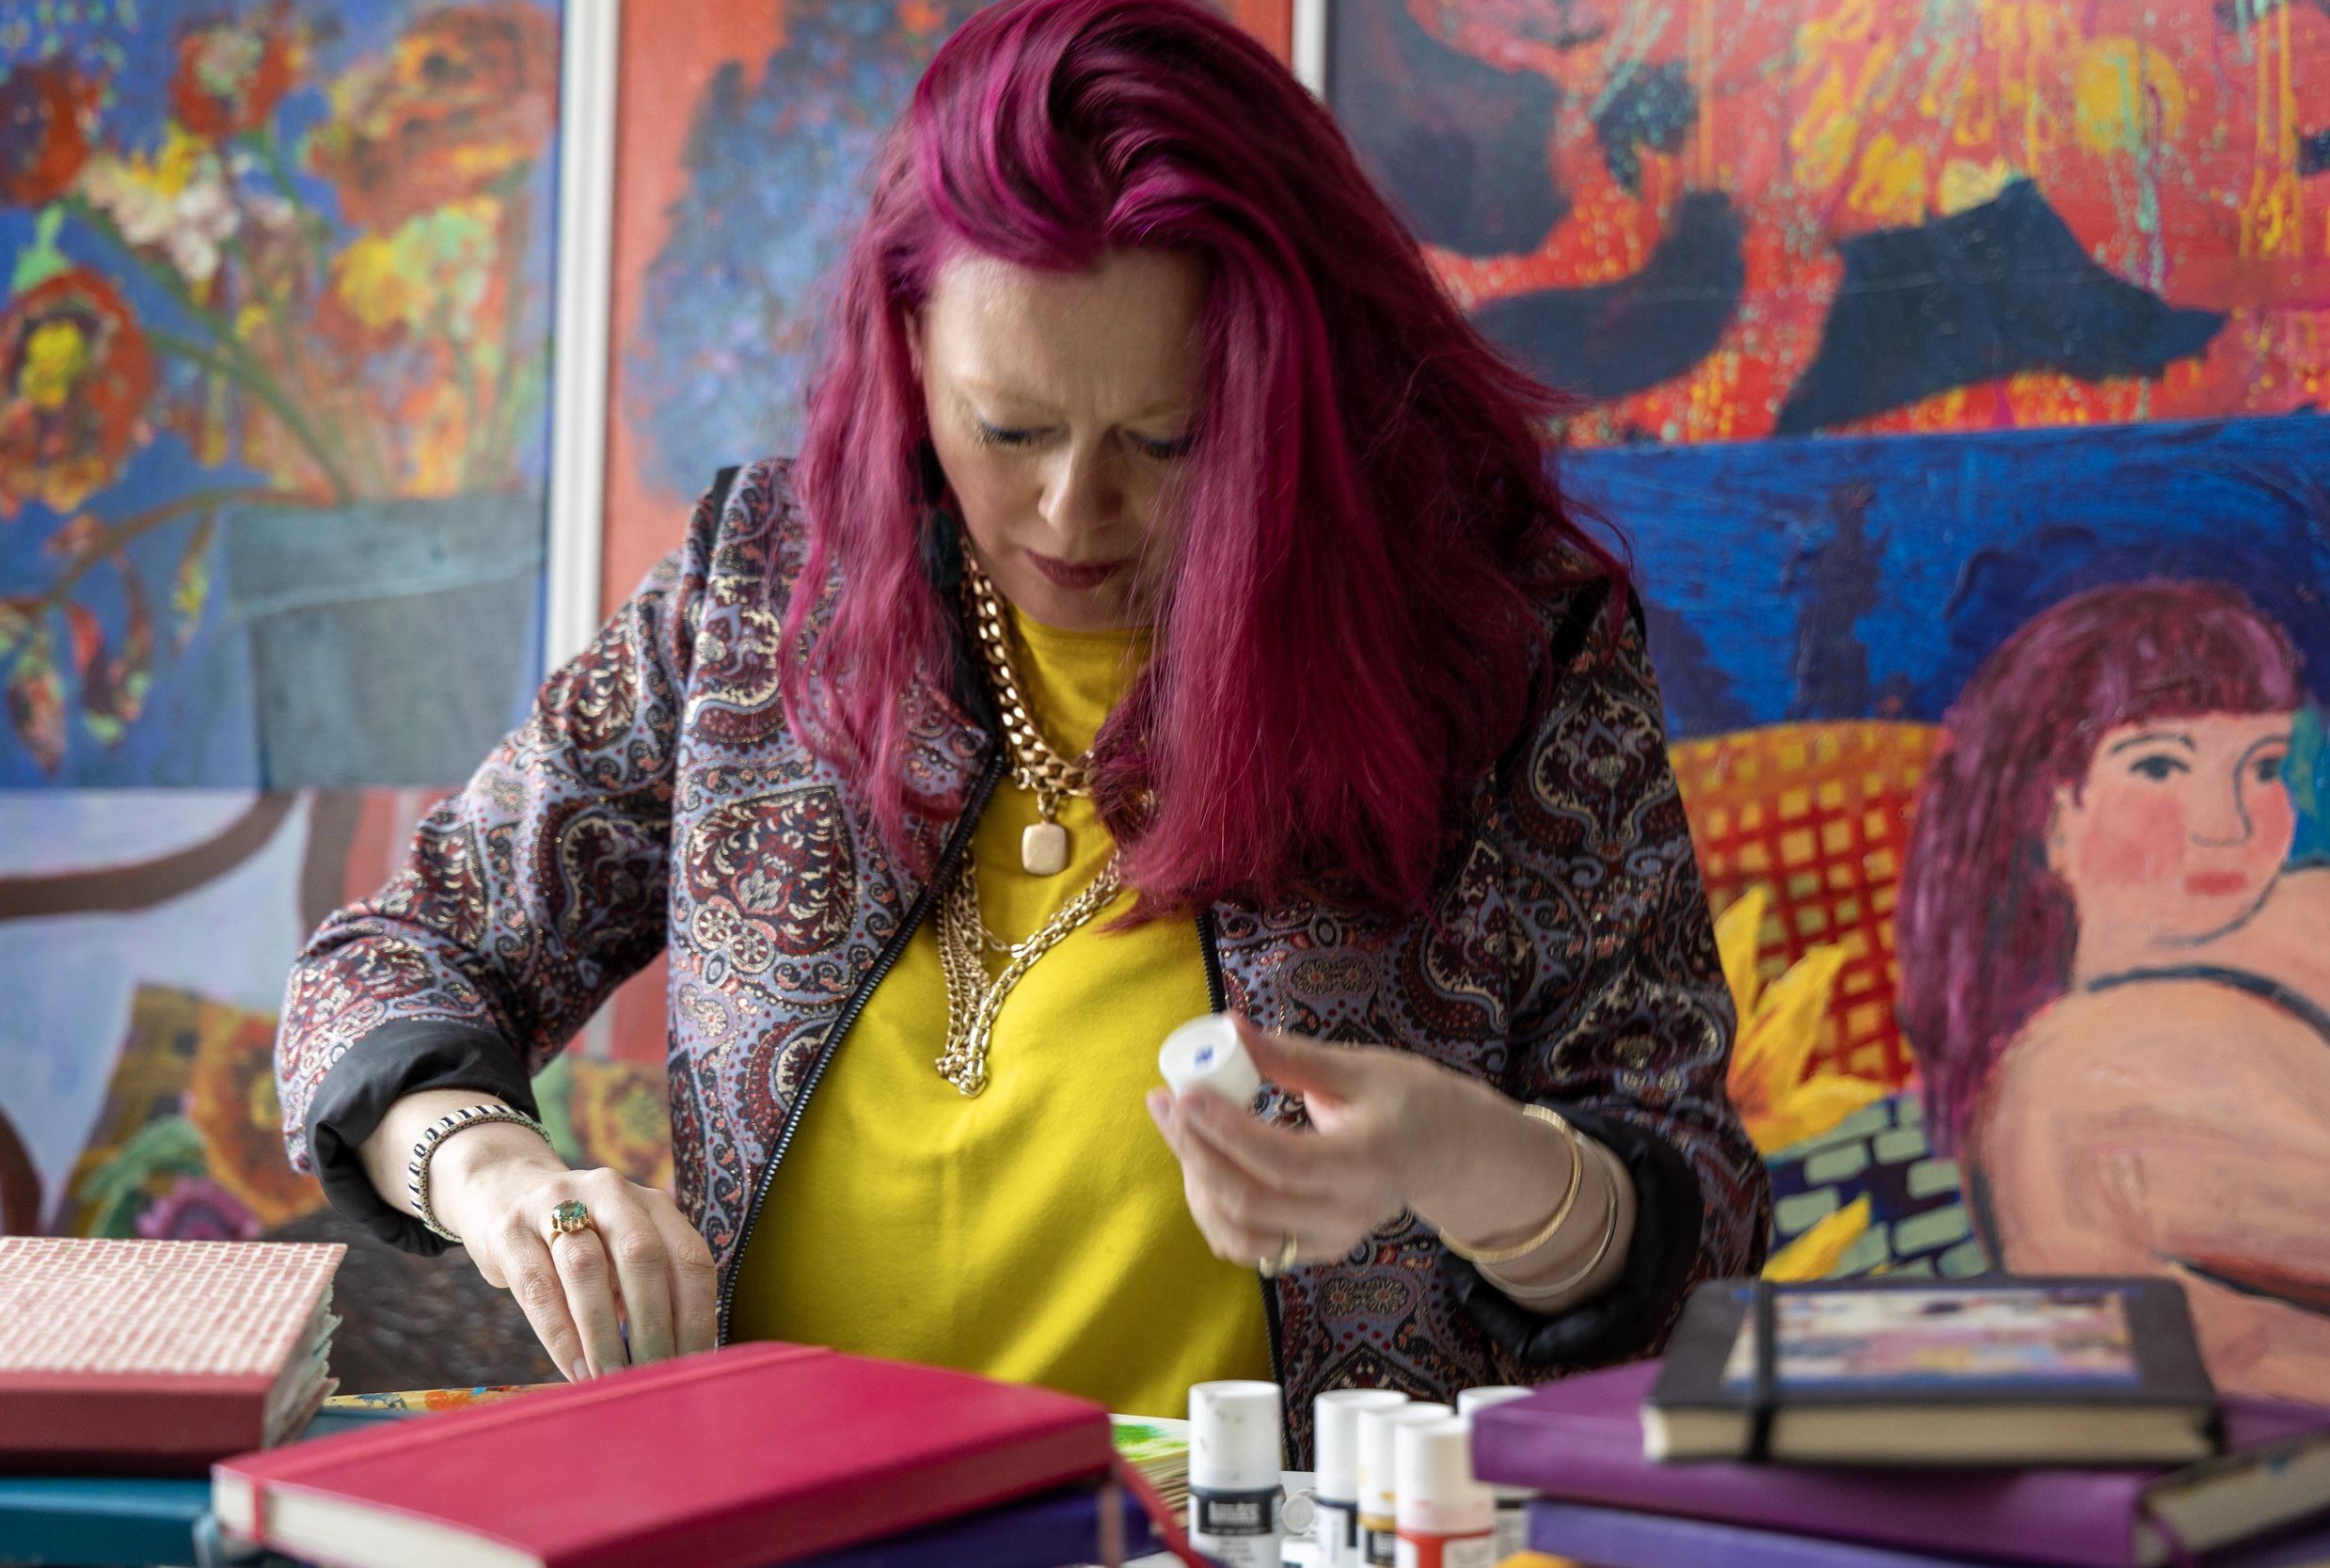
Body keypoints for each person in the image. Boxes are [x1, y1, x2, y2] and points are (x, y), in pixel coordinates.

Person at [274, 0, 1766, 1457]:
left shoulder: (1505, 647)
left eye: (1165, 437)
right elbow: (385, 963)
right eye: (1013, 428)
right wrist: (487, 1169)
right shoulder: (756, 595)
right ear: (909, 347)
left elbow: (1706, 1246)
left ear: (1281, 386)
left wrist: (1478, 1163)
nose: (1072, 512)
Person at [1897, 580, 2330, 1400]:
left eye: (2263, 766)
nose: (2225, 823)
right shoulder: (2072, 1081)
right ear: (2049, 811)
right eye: (2159, 765)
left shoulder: (2304, 916)